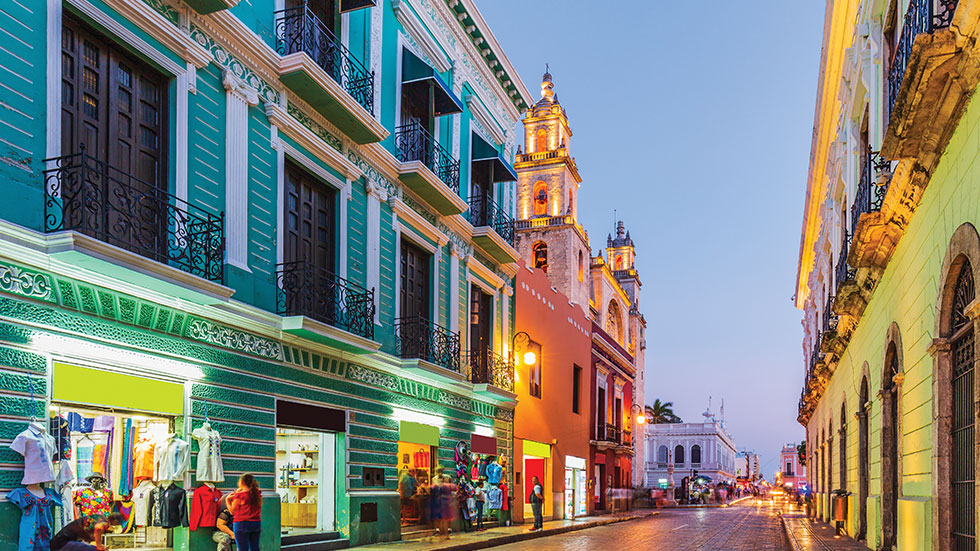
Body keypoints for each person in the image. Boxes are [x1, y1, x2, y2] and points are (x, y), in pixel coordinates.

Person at [49, 513, 123, 551]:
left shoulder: (99, 517)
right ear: (115, 521)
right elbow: (98, 528)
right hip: (62, 544)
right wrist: (99, 545)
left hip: (59, 542)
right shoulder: (103, 521)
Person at [227, 473, 261, 551]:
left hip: (241, 524)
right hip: (256, 523)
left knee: (242, 549)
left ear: (242, 482)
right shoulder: (257, 493)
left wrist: (228, 500)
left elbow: (232, 511)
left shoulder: (240, 496)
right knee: (255, 548)